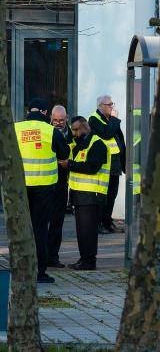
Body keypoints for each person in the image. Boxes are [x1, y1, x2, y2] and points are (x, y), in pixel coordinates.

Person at [14, 98, 69, 283]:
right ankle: (39, 272)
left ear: (28, 111)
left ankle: (19, 269)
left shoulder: (16, 128)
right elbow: (64, 154)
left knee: (21, 227)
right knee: (39, 229)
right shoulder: (51, 131)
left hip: (20, 188)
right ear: (46, 113)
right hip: (45, 188)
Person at [65, 116, 109, 270]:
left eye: (77, 129)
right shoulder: (82, 144)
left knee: (88, 232)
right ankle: (84, 259)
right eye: (73, 130)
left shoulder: (97, 144)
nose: (75, 133)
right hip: (81, 195)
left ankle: (89, 262)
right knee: (82, 231)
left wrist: (69, 164)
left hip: (92, 195)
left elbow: (91, 167)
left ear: (85, 127)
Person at [88, 95, 126, 234]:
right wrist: (115, 119)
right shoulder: (94, 119)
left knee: (112, 196)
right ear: (101, 106)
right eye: (109, 104)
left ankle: (107, 222)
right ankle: (100, 224)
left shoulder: (109, 119)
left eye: (112, 104)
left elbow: (119, 139)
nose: (112, 107)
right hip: (104, 165)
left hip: (115, 165)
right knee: (104, 197)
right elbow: (106, 134)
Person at [47, 105, 74, 268]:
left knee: (57, 223)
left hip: (62, 183)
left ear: (67, 118)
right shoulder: (46, 132)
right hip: (46, 183)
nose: (58, 123)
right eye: (55, 120)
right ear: (51, 118)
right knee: (43, 222)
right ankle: (41, 254)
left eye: (61, 120)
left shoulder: (72, 134)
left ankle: (53, 257)